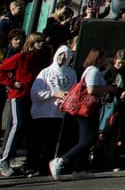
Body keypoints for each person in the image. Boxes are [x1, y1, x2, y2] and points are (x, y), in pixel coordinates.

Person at [52, 46, 116, 180]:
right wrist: (108, 88)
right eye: (105, 57)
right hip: (85, 109)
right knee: (89, 139)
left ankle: (80, 168)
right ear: (98, 58)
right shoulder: (93, 70)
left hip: (89, 109)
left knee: (85, 139)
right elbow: (91, 89)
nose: (107, 60)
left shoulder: (94, 70)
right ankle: (61, 160)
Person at [0, 32, 47, 177]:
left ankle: (12, 156)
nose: (41, 44)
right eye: (38, 41)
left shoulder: (38, 59)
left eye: (42, 42)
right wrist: (12, 83)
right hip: (18, 96)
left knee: (24, 127)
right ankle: (4, 160)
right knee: (17, 124)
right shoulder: (20, 57)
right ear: (31, 42)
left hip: (31, 97)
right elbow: (1, 69)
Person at [28, 44, 75, 178]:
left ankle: (45, 167)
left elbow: (72, 92)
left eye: (66, 55)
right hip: (42, 113)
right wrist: (54, 93)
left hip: (59, 114)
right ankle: (32, 167)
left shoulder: (71, 73)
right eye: (60, 54)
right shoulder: (45, 72)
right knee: (37, 142)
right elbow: (35, 93)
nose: (63, 57)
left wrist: (65, 100)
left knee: (52, 143)